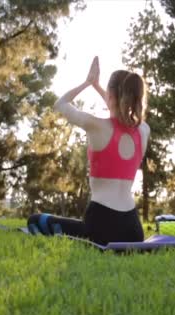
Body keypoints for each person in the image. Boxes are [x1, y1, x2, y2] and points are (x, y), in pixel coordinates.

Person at [27, 56, 150, 245]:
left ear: (110, 96)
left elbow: (60, 104)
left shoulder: (95, 125)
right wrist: (99, 86)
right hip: (133, 230)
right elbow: (120, 110)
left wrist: (88, 83)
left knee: (35, 220)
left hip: (101, 226)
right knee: (75, 227)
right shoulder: (143, 131)